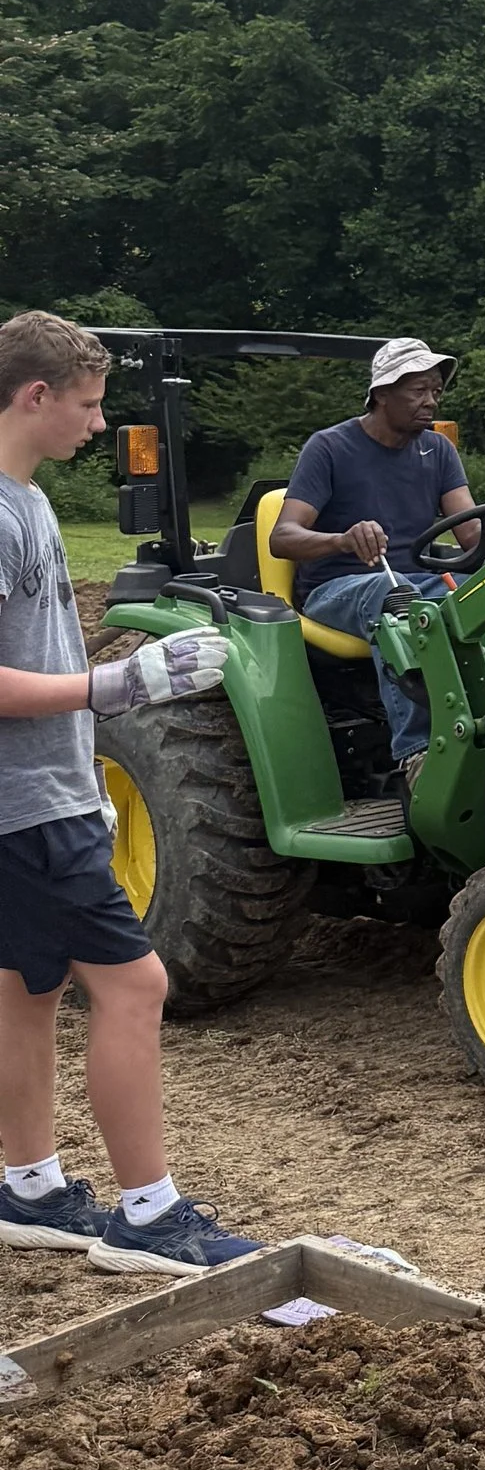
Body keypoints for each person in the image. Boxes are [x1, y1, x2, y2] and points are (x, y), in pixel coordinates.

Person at [0, 310, 261, 1274]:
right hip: (27, 803)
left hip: (45, 793)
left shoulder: (26, 500)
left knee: (26, 986)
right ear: (35, 395)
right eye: (88, 403)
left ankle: (28, 1187)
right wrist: (114, 685)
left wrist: (86, 778)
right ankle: (148, 1217)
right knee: (137, 984)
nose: (99, 422)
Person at [271, 337, 485, 780]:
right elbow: (283, 537)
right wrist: (342, 540)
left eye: (436, 391)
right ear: (382, 393)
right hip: (338, 589)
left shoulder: (438, 450)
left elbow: (471, 535)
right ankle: (418, 752)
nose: (431, 401)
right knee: (394, 595)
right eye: (418, 391)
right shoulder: (330, 447)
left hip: (416, 578)